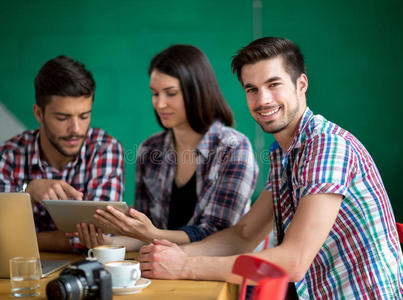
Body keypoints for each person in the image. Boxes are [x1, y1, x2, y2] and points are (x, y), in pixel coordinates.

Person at [137, 37, 403, 299]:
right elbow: (244, 234)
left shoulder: (326, 146)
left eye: (273, 84)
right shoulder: (283, 154)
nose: (263, 100)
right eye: (251, 89)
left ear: (301, 84)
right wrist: (172, 254)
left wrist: (185, 267)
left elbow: (293, 261)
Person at [75, 45, 258, 251]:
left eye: (170, 93)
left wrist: (152, 233)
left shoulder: (233, 148)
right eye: (155, 93)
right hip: (161, 270)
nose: (160, 104)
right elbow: (143, 235)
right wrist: (109, 243)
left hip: (216, 273)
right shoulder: (150, 150)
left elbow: (218, 234)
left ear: (196, 91)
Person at [0, 55, 125, 253]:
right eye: (62, 118)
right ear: (39, 114)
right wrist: (27, 193)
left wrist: (25, 238)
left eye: (84, 116)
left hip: (84, 272)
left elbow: (100, 238)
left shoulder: (106, 149)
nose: (76, 129)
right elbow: (2, 237)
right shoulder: (8, 155)